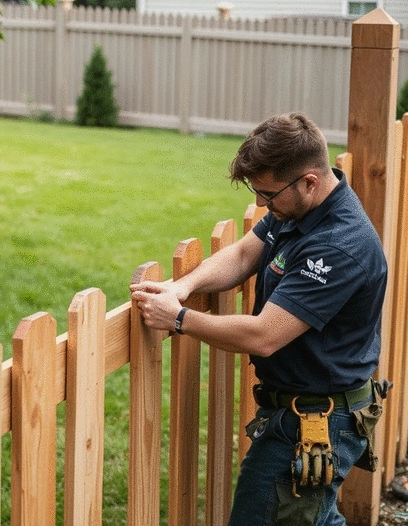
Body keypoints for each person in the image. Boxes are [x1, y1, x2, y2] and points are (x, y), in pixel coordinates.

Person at [130, 112, 388, 525]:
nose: (261, 204)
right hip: (306, 410)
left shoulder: (338, 247)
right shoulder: (303, 210)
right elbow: (246, 252)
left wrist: (178, 319)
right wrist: (185, 287)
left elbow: (264, 335)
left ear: (309, 181)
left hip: (312, 425)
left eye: (268, 193)